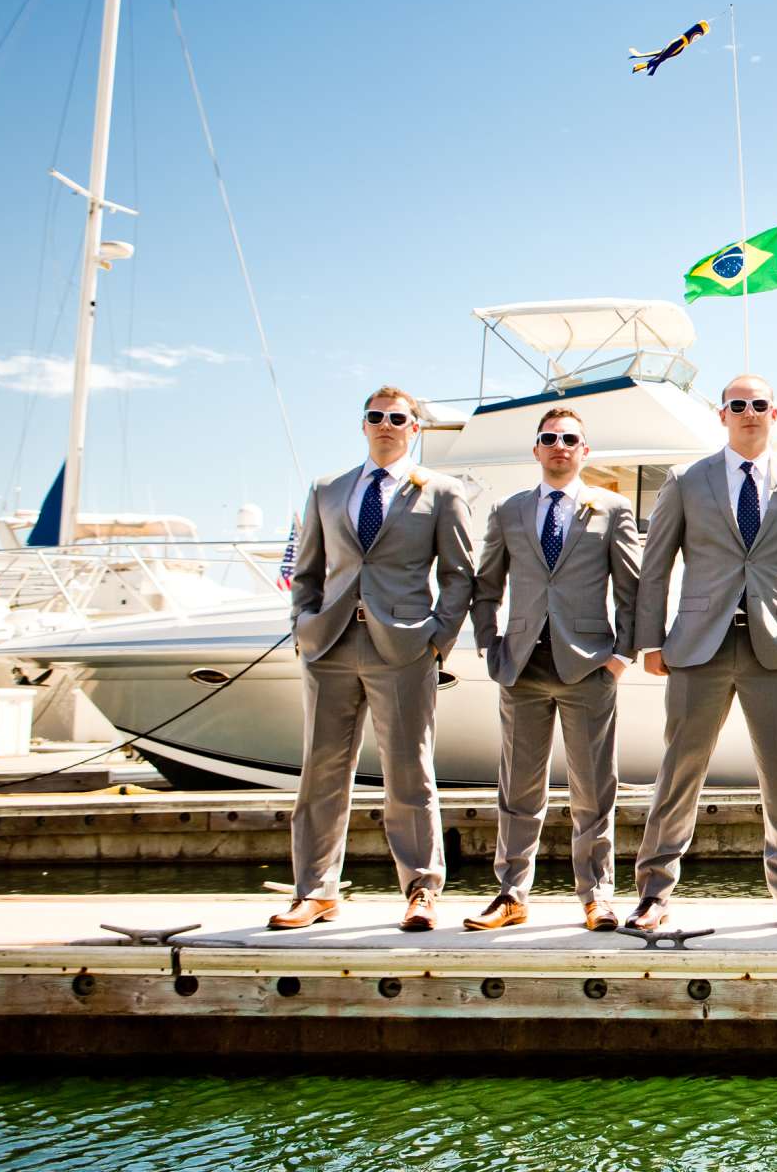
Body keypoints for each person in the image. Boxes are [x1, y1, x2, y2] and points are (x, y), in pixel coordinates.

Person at [626, 374, 777, 932]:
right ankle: (653, 893)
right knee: (679, 771)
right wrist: (651, 639)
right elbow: (656, 565)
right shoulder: (685, 480)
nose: (749, 412)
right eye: (738, 405)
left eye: (760, 405)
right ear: (722, 415)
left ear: (775, 415)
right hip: (699, 646)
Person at [271, 385, 474, 932]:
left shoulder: (441, 491)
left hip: (404, 649)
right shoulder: (326, 490)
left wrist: (437, 640)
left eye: (398, 418)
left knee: (410, 772)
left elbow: (459, 576)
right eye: (376, 416)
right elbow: (308, 571)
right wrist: (303, 626)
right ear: (363, 425)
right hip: (330, 645)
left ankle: (421, 891)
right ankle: (315, 892)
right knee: (321, 773)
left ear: (414, 428)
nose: (386, 424)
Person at [461, 406, 640, 932]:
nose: (559, 445)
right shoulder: (508, 510)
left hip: (589, 666)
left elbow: (632, 590)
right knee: (518, 788)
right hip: (521, 666)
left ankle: (597, 896)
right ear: (536, 449)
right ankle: (512, 894)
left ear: (585, 450)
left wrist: (622, 656)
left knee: (592, 788)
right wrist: (489, 645)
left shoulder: (611, 509)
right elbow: (486, 583)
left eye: (570, 438)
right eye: (549, 438)